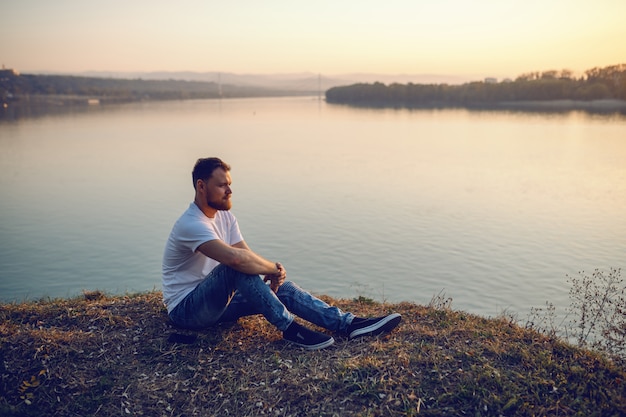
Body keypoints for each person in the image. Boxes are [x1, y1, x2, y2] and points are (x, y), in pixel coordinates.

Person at [162, 157, 401, 350]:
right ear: (201, 186)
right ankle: (290, 330)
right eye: (222, 185)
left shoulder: (225, 216)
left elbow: (246, 254)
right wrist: (272, 269)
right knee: (234, 268)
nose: (230, 190)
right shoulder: (191, 224)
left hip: (218, 305)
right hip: (187, 311)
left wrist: (274, 274)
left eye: (230, 184)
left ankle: (349, 324)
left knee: (282, 289)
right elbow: (236, 260)